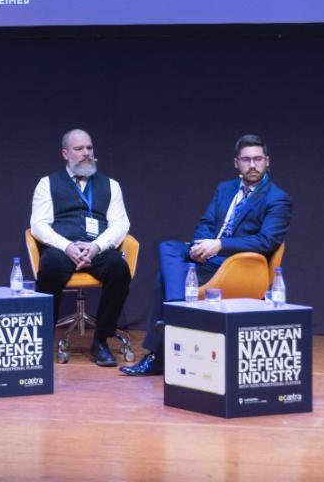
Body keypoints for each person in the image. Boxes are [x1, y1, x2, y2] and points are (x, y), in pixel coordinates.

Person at [121, 133, 291, 376]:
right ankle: (178, 310)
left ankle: (163, 344)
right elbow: (206, 221)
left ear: (267, 161)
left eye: (257, 159)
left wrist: (219, 245)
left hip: (237, 264)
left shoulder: (277, 198)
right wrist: (199, 247)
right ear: (236, 163)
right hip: (209, 255)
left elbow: (266, 241)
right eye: (246, 160)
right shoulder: (225, 188)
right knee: (168, 246)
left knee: (162, 279)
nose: (252, 165)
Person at [30, 129, 131, 367]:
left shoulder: (111, 185)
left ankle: (101, 340)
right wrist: (66, 247)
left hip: (97, 248)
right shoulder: (47, 184)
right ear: (65, 153)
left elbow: (120, 223)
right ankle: (43, 342)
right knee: (50, 267)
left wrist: (96, 246)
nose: (86, 153)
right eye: (78, 149)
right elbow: (38, 225)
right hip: (62, 248)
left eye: (89, 148)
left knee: (119, 269)